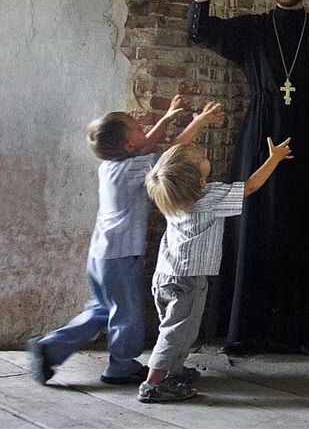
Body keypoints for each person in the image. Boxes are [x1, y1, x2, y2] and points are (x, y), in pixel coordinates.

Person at [187, 0, 309, 357]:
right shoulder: (253, 29)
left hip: (306, 140)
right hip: (258, 136)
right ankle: (248, 332)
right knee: (255, 227)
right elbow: (199, 30)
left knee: (308, 227)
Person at [27, 96, 219, 385]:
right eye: (139, 130)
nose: (146, 131)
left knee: (102, 310)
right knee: (127, 315)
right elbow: (171, 156)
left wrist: (165, 119)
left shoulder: (110, 166)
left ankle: (49, 348)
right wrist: (199, 122)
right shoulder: (134, 170)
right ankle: (121, 366)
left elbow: (146, 145)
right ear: (130, 146)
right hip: (120, 255)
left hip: (100, 254)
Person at [137, 131, 293, 403]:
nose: (205, 156)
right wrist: (274, 159)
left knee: (177, 328)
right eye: (201, 158)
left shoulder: (171, 196)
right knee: (176, 333)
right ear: (196, 177)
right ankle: (152, 384)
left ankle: (173, 371)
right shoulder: (207, 196)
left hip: (166, 275)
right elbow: (251, 187)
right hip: (187, 279)